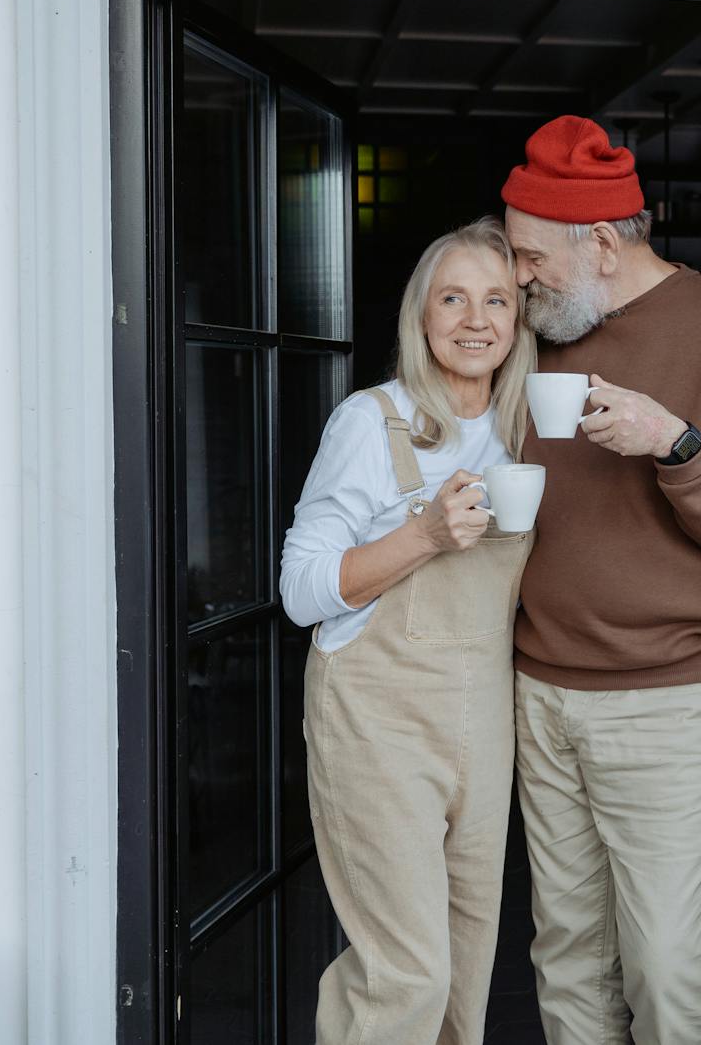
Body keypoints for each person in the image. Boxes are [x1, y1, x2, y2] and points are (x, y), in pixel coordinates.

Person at [501, 116, 701, 1045]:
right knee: (567, 953)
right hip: (540, 689)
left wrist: (676, 445)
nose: (519, 277)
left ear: (604, 244)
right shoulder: (534, 330)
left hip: (676, 697)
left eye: (532, 257)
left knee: (665, 962)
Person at [279, 216, 537, 1045]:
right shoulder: (372, 421)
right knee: (406, 973)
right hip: (378, 724)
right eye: (452, 297)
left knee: (466, 963)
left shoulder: (524, 431)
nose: (475, 319)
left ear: (517, 320)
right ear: (420, 316)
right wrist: (422, 533)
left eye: (496, 299)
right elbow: (299, 589)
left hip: (481, 723)